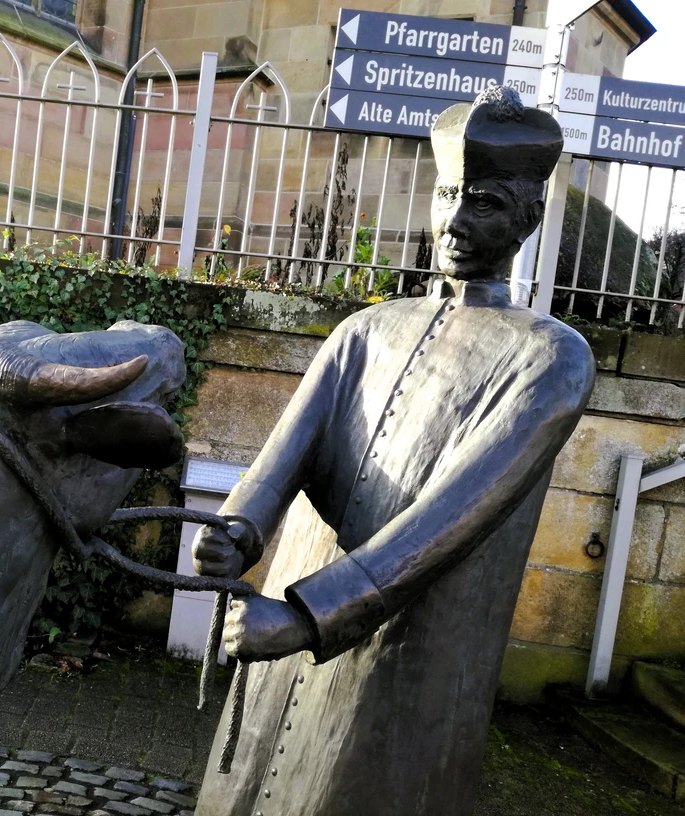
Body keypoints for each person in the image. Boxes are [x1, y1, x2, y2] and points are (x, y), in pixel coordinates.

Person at [191, 86, 596, 816]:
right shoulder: (365, 330)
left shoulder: (551, 358)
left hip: (412, 639)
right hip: (299, 586)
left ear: (529, 218)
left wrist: (310, 619)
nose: (457, 221)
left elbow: (453, 516)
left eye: (484, 203)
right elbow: (288, 449)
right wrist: (239, 528)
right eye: (448, 195)